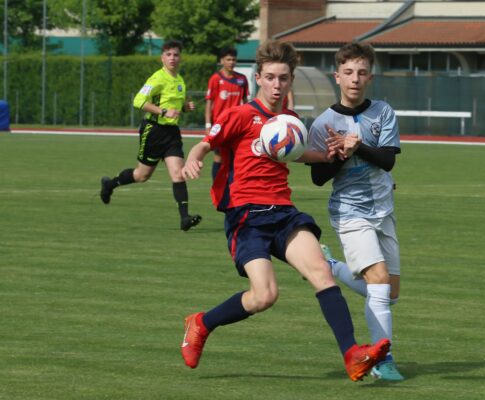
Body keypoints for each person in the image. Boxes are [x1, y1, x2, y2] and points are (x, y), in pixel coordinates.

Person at [179, 39, 390, 382]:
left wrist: (334, 154)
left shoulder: (290, 119)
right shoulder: (241, 114)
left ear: (291, 80)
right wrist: (192, 160)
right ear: (258, 78)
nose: (277, 85)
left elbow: (300, 153)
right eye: (271, 78)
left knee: (321, 271)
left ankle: (352, 355)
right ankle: (202, 323)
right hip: (247, 216)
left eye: (284, 79)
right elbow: (205, 144)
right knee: (265, 295)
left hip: (284, 213)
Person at [308, 41, 404, 381]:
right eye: (348, 72)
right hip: (350, 212)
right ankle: (383, 361)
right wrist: (340, 155)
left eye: (362, 72)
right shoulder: (324, 124)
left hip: (383, 210)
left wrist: (357, 146)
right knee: (377, 282)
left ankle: (332, 266)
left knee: (389, 295)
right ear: (337, 76)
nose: (355, 78)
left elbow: (388, 159)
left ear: (370, 76)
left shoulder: (383, 112)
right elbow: (318, 178)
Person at [100, 40, 201, 232]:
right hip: (153, 131)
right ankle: (110, 184)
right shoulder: (156, 78)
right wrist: (163, 111)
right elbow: (138, 101)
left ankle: (185, 218)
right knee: (141, 175)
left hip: (172, 133)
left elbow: (174, 107)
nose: (172, 58)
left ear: (180, 58)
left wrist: (185, 108)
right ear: (162, 57)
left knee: (178, 174)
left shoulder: (180, 80)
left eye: (176, 55)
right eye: (169, 54)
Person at [204, 47, 249, 180]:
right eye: (228, 59)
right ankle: (218, 187)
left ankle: (231, 188)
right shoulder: (215, 79)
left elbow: (245, 102)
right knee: (219, 156)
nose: (231, 62)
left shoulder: (242, 79)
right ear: (222, 61)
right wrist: (208, 125)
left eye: (233, 59)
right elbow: (209, 103)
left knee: (235, 156)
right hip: (220, 126)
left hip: (236, 126)